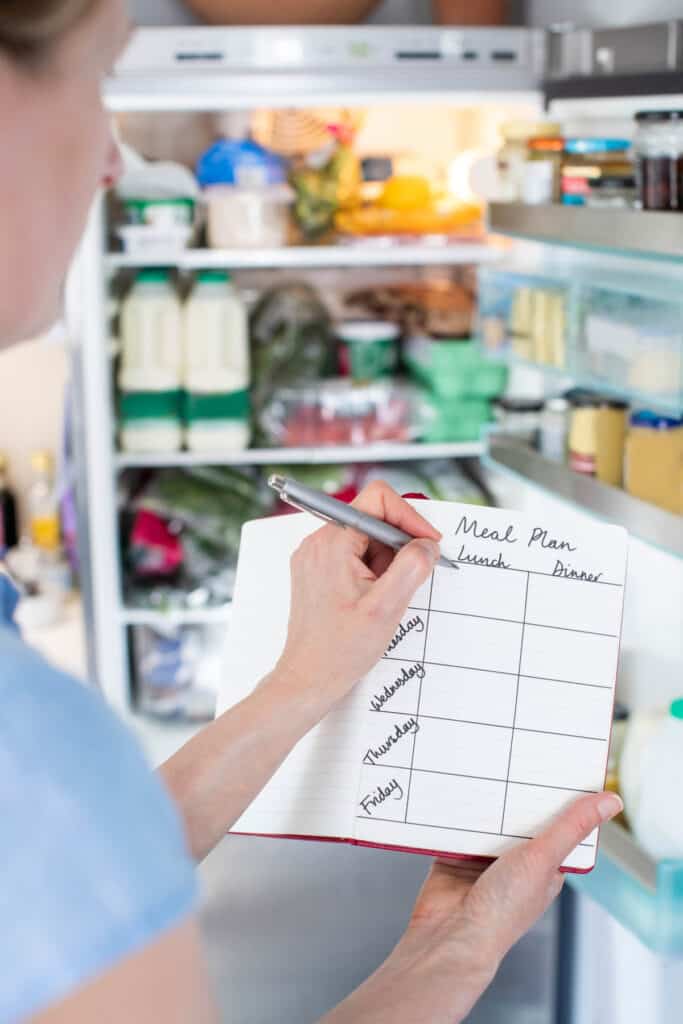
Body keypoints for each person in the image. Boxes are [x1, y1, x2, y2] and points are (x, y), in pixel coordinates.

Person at [0, 2, 623, 1021]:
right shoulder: (35, 739)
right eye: (97, 79)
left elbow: (71, 868)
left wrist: (303, 681)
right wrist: (453, 956)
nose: (113, 158)